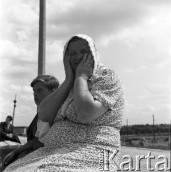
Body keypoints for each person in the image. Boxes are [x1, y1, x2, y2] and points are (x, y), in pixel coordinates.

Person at [3, 34, 124, 172]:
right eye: (72, 53)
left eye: (84, 52)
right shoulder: (70, 85)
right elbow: (44, 115)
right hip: (54, 151)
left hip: (90, 150)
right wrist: (68, 80)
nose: (78, 57)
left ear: (94, 54)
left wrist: (81, 77)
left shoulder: (106, 76)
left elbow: (85, 113)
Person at [2, 75, 59, 169]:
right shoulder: (42, 113)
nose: (35, 94)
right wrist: (15, 152)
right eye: (34, 91)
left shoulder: (60, 111)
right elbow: (37, 139)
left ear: (53, 91)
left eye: (39, 90)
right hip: (36, 153)